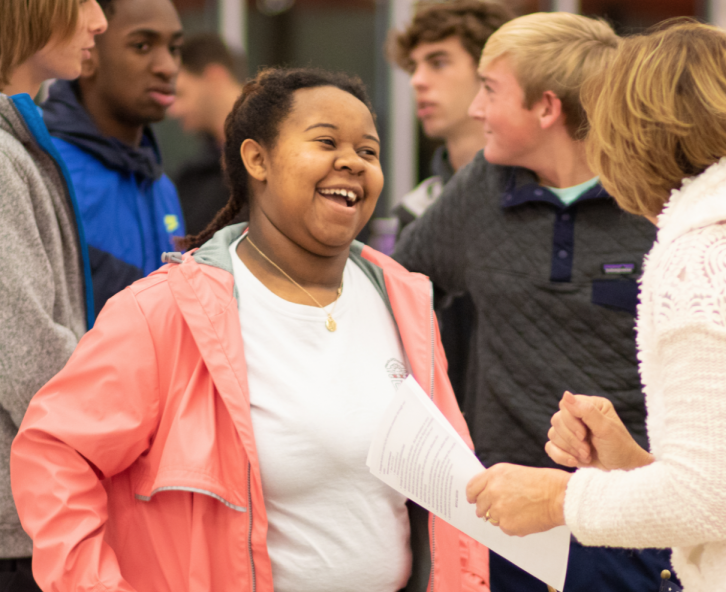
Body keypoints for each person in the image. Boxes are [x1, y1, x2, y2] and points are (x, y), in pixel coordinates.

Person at [11, 67, 489, 592]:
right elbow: (56, 453)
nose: (353, 162)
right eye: (326, 141)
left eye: (369, 152)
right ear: (256, 159)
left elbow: (443, 492)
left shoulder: (404, 300)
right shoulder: (166, 311)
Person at [465, 20, 726, 591]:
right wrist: (629, 464)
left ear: (633, 135)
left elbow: (706, 501)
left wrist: (556, 497)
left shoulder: (711, 248)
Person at [393, 12, 670, 592]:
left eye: (490, 91)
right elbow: (396, 286)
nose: (475, 109)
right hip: (503, 528)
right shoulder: (479, 189)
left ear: (546, 108)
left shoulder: (656, 204)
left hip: (632, 528)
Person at [0, 0, 107, 589]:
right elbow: (27, 356)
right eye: (85, 0)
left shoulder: (18, 142)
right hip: (17, 534)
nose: (100, 21)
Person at [386, 0, 513, 409]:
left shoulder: (538, 198)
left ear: (490, 75)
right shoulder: (415, 208)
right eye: (414, 66)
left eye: (438, 62)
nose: (418, 81)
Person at [41, 0, 185, 314]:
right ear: (87, 51)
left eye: (174, 48)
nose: (168, 66)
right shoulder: (44, 170)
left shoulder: (163, 188)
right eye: (142, 45)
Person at [169, 32, 246, 236]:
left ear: (215, 76)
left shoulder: (281, 156)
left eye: (180, 93)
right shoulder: (192, 177)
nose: (173, 110)